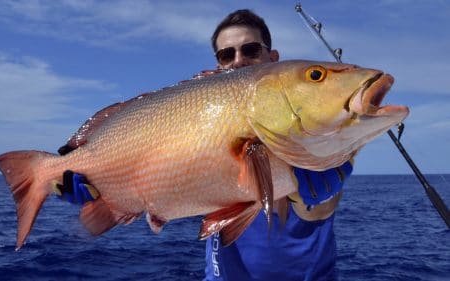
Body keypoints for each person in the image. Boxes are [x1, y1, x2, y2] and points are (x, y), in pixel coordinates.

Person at [56, 9, 353, 281]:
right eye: (226, 55)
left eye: (250, 49)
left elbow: (319, 209)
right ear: (218, 64)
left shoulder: (316, 125)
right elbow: (157, 173)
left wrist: (309, 197)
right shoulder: (205, 118)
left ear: (273, 57)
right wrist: (93, 187)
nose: (238, 60)